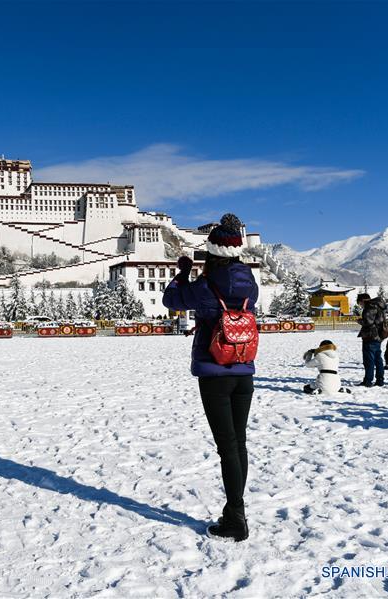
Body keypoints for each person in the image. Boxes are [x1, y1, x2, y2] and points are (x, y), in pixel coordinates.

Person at [162, 213, 259, 542]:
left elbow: (171, 300)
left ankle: (236, 516)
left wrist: (183, 274)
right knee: (239, 443)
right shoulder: (250, 283)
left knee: (227, 447)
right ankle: (236, 510)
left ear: (213, 253)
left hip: (214, 370)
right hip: (243, 367)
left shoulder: (205, 286)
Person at [355, 293, 387, 387]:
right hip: (379, 336)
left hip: (370, 336)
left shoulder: (370, 307)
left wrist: (359, 321)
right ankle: (380, 380)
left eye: (360, 304)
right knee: (378, 359)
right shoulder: (379, 306)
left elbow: (368, 322)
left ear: (363, 300)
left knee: (369, 360)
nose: (361, 306)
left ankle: (368, 380)